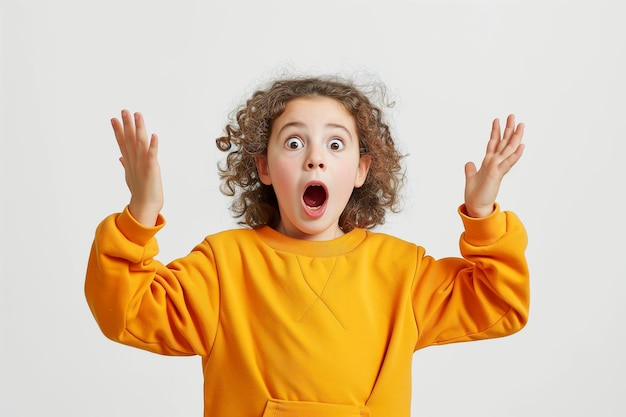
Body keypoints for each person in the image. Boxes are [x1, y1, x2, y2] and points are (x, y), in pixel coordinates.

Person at [85, 75, 529, 417]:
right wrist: (141, 211)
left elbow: (499, 302)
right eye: (294, 142)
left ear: (360, 170)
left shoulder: (402, 270)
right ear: (263, 168)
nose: (315, 157)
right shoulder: (223, 265)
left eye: (336, 143)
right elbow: (125, 308)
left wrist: (484, 212)